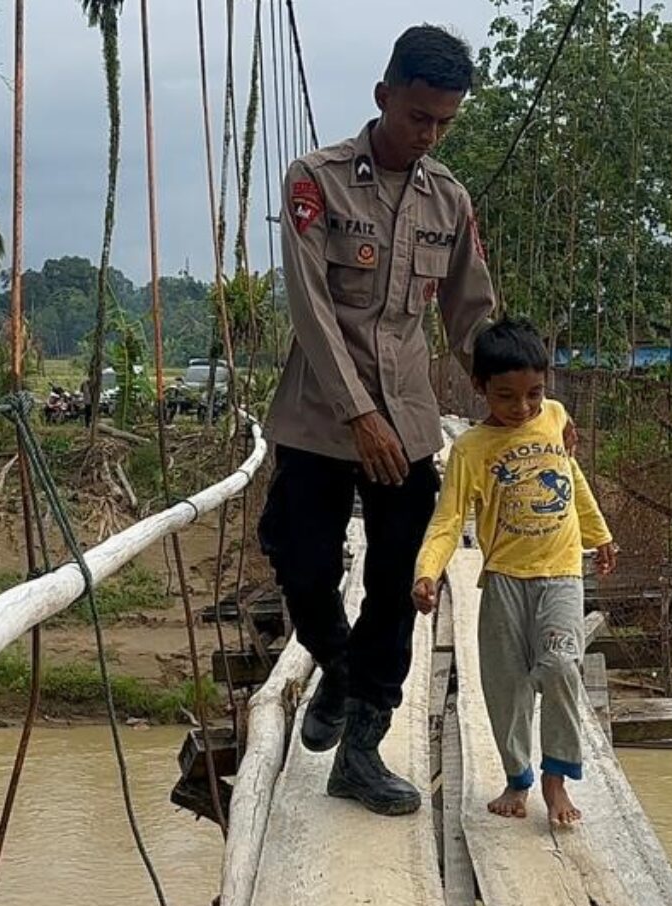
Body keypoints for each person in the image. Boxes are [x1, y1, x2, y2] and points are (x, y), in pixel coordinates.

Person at [258, 25, 496, 816]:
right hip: (319, 417)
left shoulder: (449, 200)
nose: (428, 136)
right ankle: (333, 662)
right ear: (383, 96)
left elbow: (470, 316)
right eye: (417, 117)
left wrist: (525, 409)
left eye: (444, 124)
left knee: (400, 586)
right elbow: (310, 305)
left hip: (414, 421)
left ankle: (360, 752)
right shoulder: (315, 182)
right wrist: (359, 413)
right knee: (302, 564)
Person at [412, 318, 617, 826]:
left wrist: (599, 533)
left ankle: (556, 779)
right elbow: (448, 518)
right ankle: (517, 777)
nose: (523, 408)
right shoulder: (470, 450)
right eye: (507, 396)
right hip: (503, 577)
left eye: (534, 393)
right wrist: (428, 571)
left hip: (563, 573)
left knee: (562, 666)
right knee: (505, 687)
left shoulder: (555, 417)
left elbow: (573, 479)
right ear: (480, 388)